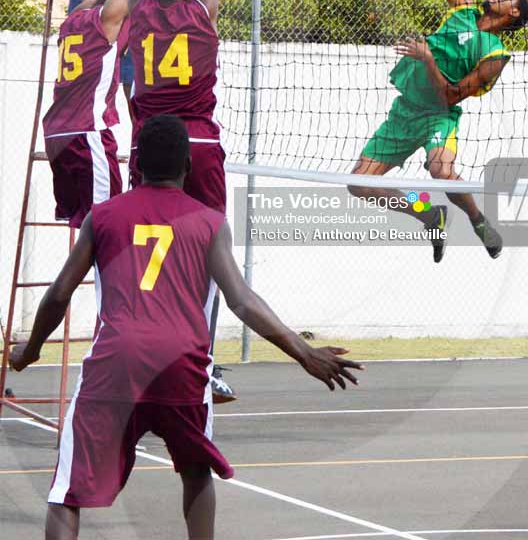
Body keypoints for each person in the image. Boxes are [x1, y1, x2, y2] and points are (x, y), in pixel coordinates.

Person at [9, 114, 363, 540]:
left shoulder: (102, 218)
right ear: (188, 166)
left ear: (135, 165)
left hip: (116, 362)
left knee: (68, 491)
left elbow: (58, 294)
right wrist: (303, 353)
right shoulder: (210, 223)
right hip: (182, 365)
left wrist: (30, 350)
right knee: (195, 470)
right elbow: (242, 300)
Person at [349, 0, 528, 263]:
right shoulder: (463, 8)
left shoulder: (495, 55)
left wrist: (428, 58)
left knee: (441, 171)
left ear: (513, 13)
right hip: (405, 112)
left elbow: (450, 97)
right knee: (358, 184)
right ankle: (429, 214)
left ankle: (478, 221)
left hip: (438, 116)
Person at [125, 0, 234, 401]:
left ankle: (140, 354)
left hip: (149, 143)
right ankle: (203, 365)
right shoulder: (203, 7)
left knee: (143, 251)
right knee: (211, 255)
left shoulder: (138, 8)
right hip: (198, 142)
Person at [43, 0, 187, 228]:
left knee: (83, 224)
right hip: (87, 133)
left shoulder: (77, 18)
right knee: (105, 224)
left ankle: (84, 263)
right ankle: (104, 266)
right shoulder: (109, 22)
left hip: (56, 134)